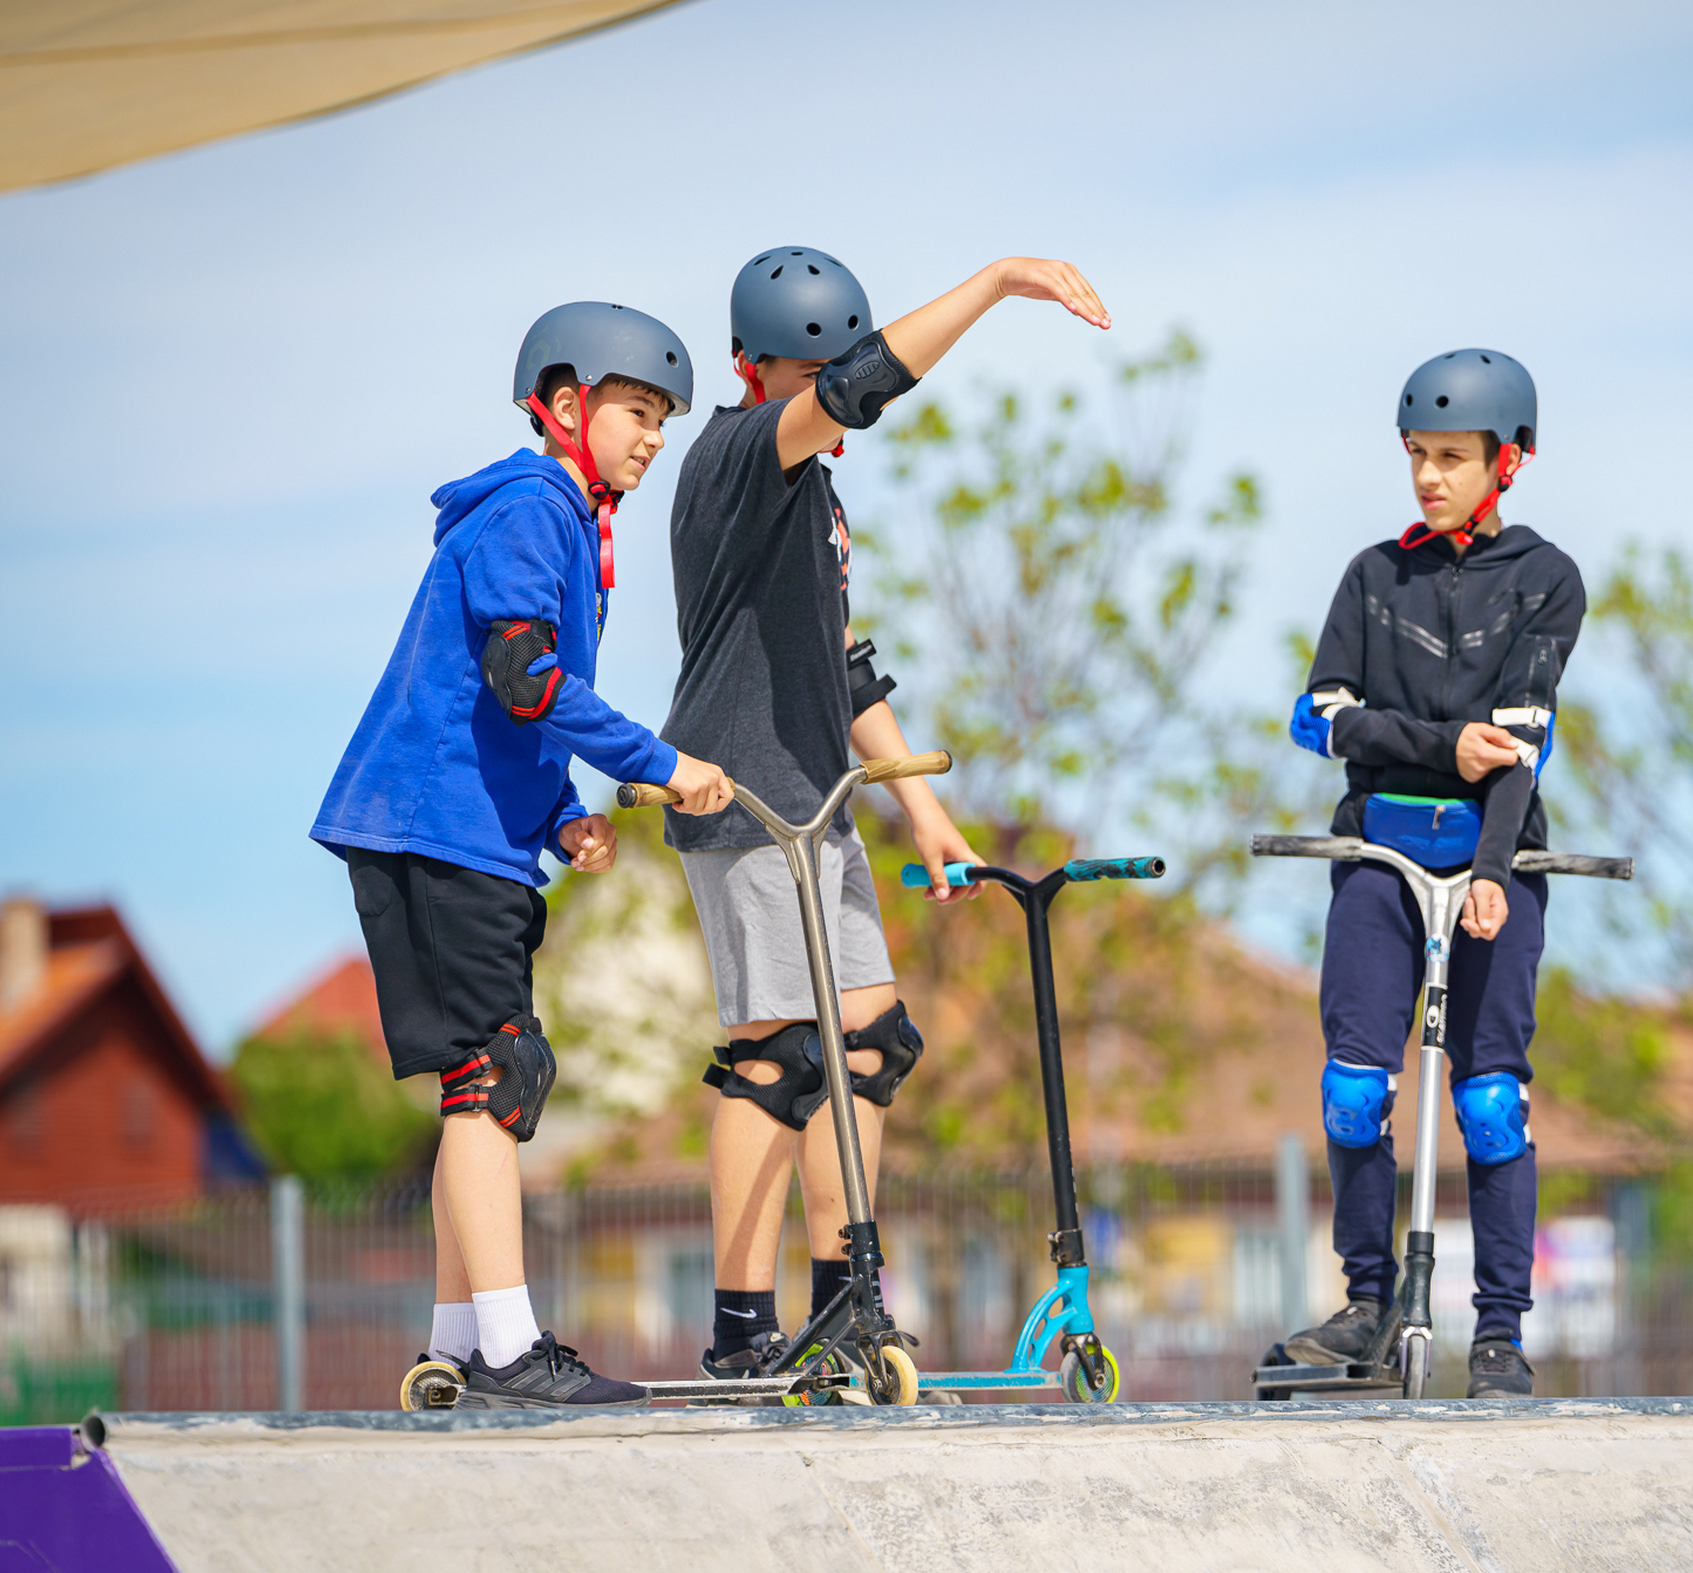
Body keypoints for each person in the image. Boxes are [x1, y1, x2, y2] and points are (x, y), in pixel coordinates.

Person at [661, 249, 1109, 1386]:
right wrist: (998, 283)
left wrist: (926, 811)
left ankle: (844, 1301)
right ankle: (739, 1325)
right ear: (752, 369)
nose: (823, 398)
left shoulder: (815, 498)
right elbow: (862, 386)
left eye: (825, 373)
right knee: (780, 1054)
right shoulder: (736, 456)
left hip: (827, 805)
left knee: (870, 1047)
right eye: (801, 374)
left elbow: (846, 671)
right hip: (750, 797)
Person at [312, 303, 734, 1407]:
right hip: (438, 826)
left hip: (459, 825)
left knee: (488, 1076)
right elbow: (520, 673)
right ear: (564, 404)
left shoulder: (561, 524)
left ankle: (458, 1342)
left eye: (663, 420)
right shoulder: (535, 506)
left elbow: (508, 706)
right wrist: (653, 762)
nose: (652, 436)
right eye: (638, 411)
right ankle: (507, 1347)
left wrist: (559, 816)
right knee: (495, 1075)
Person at [1279, 349, 1586, 1399]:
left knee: (1492, 1099)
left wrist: (1495, 866)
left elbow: (1520, 746)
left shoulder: (1547, 579)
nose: (1427, 476)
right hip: (1380, 852)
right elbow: (1317, 717)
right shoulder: (1373, 575)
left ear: (1508, 461)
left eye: (1451, 457)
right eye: (1417, 454)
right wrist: (1438, 745)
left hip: (1499, 855)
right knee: (1354, 1087)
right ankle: (1367, 1303)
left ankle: (1498, 1333)